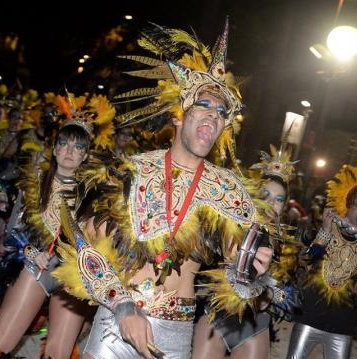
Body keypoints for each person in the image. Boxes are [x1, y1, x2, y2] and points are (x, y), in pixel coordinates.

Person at [52, 21, 273, 359]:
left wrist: (252, 273)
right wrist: (123, 305)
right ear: (178, 115)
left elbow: (240, 280)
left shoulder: (230, 193)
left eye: (221, 112)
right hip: (116, 326)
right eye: (204, 105)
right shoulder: (131, 173)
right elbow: (83, 246)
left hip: (175, 334)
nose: (214, 116)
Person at [0, 93, 115, 358]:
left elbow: (101, 242)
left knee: (58, 353)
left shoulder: (96, 193)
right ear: (54, 149)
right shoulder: (36, 183)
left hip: (72, 277)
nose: (68, 151)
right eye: (63, 144)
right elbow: (13, 233)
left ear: (85, 154)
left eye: (77, 147)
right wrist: (32, 253)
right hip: (38, 266)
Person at [193, 140, 301, 359]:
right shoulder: (230, 226)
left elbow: (287, 297)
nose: (271, 204)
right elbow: (207, 271)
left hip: (255, 326)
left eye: (279, 200)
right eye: (266, 195)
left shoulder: (286, 245)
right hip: (217, 320)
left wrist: (269, 292)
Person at [286, 164, 357, 359]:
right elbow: (306, 257)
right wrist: (325, 228)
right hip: (310, 314)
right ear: (347, 205)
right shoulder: (329, 226)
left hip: (343, 324)